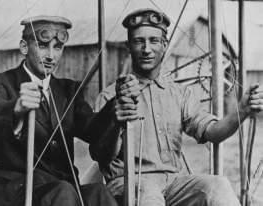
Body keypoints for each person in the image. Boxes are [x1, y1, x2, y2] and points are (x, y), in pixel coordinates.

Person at [89, 8, 263, 206]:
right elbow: (100, 155)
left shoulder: (179, 94)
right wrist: (116, 122)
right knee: (149, 197)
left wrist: (242, 111)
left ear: (164, 45)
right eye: (139, 41)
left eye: (154, 41)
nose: (146, 49)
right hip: (129, 183)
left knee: (217, 185)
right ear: (129, 46)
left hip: (173, 183)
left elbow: (212, 132)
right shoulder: (110, 97)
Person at [0, 15, 124, 206]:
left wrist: (115, 106)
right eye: (42, 46)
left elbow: (93, 129)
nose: (50, 56)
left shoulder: (68, 90)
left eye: (57, 47)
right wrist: (16, 108)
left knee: (98, 193)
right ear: (24, 47)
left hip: (61, 191)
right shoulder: (0, 82)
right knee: (63, 192)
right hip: (17, 191)